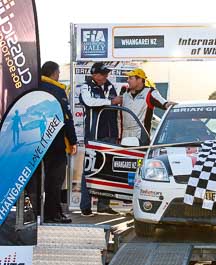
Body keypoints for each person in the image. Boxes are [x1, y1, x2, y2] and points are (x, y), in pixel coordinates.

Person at [79, 62, 122, 216]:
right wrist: (110, 102)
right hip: (93, 135)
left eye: (106, 74)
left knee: (108, 170)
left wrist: (117, 135)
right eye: (103, 74)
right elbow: (89, 102)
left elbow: (117, 110)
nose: (105, 76)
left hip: (110, 135)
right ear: (94, 74)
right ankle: (85, 206)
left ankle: (104, 205)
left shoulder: (110, 86)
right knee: (90, 170)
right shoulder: (85, 87)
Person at [39, 61, 78, 223]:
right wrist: (73, 140)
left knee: (38, 181)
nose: (59, 75)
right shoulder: (57, 90)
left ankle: (37, 213)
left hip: (36, 141)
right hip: (55, 142)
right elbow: (66, 118)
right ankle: (53, 214)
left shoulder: (34, 87)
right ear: (54, 73)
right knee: (55, 180)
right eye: (59, 72)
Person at [119, 68, 176, 140]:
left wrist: (170, 105)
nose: (128, 80)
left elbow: (164, 103)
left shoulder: (150, 92)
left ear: (139, 80)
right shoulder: (124, 93)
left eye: (130, 78)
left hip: (141, 138)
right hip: (123, 137)